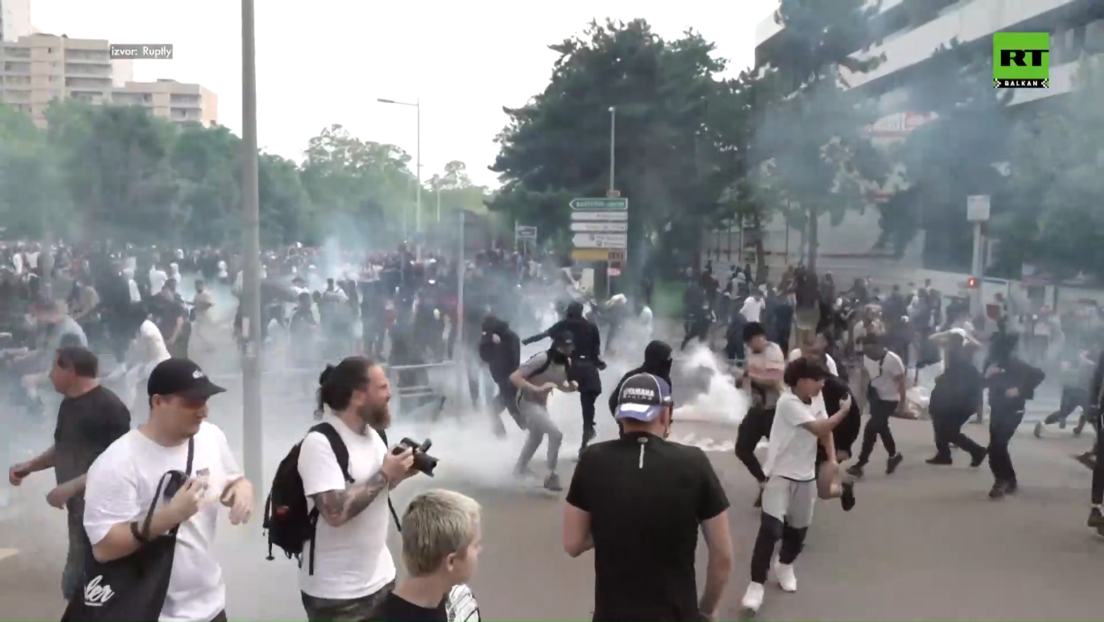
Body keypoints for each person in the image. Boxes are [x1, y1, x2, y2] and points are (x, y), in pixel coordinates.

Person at [82, 358, 254, 622]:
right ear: (157, 402)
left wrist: (242, 490)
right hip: (150, 612)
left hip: (211, 606)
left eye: (206, 401)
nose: (203, 411)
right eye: (191, 403)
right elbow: (104, 548)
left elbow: (233, 479)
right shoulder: (117, 463)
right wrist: (170, 515)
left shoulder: (211, 437)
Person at [565, 373, 733, 621]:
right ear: (665, 414)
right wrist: (705, 611)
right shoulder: (694, 462)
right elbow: (722, 555)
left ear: (620, 415)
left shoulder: (593, 459)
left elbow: (573, 543)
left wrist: (615, 522)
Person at [299, 357, 420, 622]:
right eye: (382, 387)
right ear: (358, 396)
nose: (390, 394)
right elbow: (335, 513)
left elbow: (373, 491)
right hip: (338, 595)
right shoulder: (320, 443)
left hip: (381, 579)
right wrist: (385, 473)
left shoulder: (373, 435)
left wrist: (398, 476)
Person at [7, 346, 131, 601]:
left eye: (54, 368)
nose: (50, 375)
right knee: (76, 583)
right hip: (79, 511)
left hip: (104, 513)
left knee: (93, 586)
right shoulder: (69, 404)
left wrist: (70, 487)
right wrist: (28, 467)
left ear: (71, 370)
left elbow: (118, 465)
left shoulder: (110, 408)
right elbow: (64, 447)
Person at [739, 358, 851, 616]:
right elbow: (819, 427)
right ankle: (756, 586)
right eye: (817, 379)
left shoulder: (817, 397)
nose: (822, 383)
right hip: (780, 474)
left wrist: (832, 459)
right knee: (771, 529)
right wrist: (843, 411)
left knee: (798, 532)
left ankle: (785, 565)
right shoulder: (787, 402)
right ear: (801, 380)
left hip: (805, 476)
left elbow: (826, 432)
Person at [381, 490, 483, 622]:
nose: (480, 549)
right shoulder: (461, 607)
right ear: (451, 561)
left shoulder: (460, 599)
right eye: (475, 545)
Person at [510, 332, 575, 491]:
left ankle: (518, 470)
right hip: (526, 401)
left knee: (536, 436)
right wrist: (536, 388)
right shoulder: (542, 359)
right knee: (556, 434)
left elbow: (558, 384)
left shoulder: (566, 363)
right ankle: (551, 475)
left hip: (540, 403)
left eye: (570, 346)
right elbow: (514, 377)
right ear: (557, 345)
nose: (568, 350)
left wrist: (570, 388)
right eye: (564, 346)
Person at [983, 332, 1045, 499]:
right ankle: (1009, 479)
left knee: (999, 445)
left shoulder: (1015, 362)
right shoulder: (990, 363)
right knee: (995, 447)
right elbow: (981, 384)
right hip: (997, 408)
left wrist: (1020, 390)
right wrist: (986, 376)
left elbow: (1039, 375)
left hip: (1014, 410)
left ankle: (1001, 481)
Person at [734, 323, 786, 507]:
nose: (751, 347)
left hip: (774, 411)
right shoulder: (751, 354)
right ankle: (764, 482)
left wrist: (750, 375)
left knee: (780, 454)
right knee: (742, 448)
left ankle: (784, 493)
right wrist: (740, 380)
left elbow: (774, 380)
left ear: (760, 338)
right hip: (756, 409)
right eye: (748, 344)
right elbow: (749, 377)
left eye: (752, 342)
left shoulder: (774, 352)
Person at [847, 335, 906, 478]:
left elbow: (902, 384)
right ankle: (894, 455)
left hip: (890, 400)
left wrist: (903, 405)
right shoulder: (867, 357)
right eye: (865, 351)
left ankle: (860, 464)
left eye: (870, 350)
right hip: (876, 397)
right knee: (881, 427)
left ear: (879, 346)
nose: (868, 354)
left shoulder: (893, 360)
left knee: (870, 428)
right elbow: (867, 375)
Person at [926, 331, 987, 466]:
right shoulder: (954, 360)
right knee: (940, 426)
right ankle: (944, 454)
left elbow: (974, 384)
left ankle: (977, 451)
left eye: (949, 345)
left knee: (948, 431)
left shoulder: (962, 361)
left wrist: (977, 407)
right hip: (949, 402)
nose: (946, 349)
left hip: (959, 404)